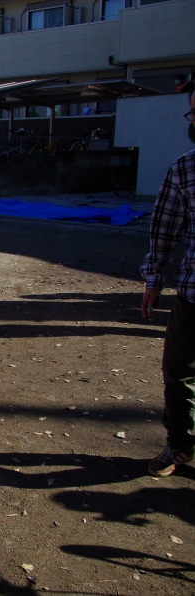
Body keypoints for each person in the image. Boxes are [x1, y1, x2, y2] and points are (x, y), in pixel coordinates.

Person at [140, 88, 195, 477]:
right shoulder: (185, 169)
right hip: (194, 293)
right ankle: (180, 445)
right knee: (179, 371)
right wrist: (154, 278)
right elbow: (163, 229)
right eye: (193, 114)